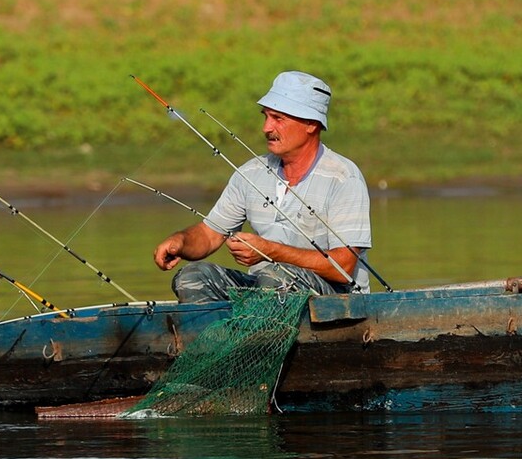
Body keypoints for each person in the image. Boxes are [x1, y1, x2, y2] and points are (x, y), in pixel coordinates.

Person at [153, 70, 372, 304]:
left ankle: (259, 334)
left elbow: (343, 266)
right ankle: (222, 337)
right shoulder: (250, 173)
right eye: (265, 116)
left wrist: (269, 251)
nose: (266, 128)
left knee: (275, 277)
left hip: (337, 298)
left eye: (278, 119)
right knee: (192, 276)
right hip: (265, 290)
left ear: (310, 124)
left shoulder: (343, 177)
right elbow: (209, 235)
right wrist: (180, 242)